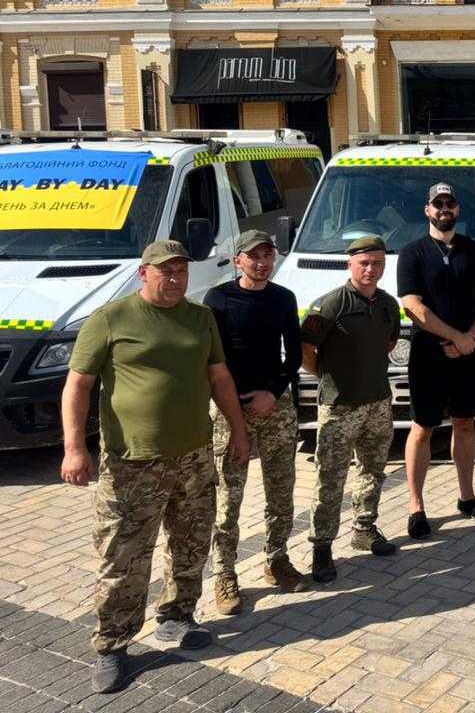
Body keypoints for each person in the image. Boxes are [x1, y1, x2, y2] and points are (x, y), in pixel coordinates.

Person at [60, 240, 250, 695]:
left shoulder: (200, 317)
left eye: (181, 270)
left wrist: (239, 432)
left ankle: (177, 619)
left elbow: (219, 377)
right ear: (144, 273)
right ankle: (112, 646)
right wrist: (73, 448)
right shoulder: (111, 318)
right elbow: (77, 386)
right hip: (132, 465)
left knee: (190, 546)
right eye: (166, 271)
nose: (175, 278)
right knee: (123, 559)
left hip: (194, 457)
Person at [204, 230, 307, 616]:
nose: (262, 262)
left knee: (281, 491)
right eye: (254, 256)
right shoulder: (218, 300)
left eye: (268, 255)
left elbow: (294, 354)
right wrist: (232, 412)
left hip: (274, 406)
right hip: (230, 409)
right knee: (228, 499)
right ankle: (224, 575)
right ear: (238, 261)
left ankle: (276, 559)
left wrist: (273, 392)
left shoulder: (283, 298)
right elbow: (212, 361)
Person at [398, 182, 475, 536]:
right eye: (437, 203)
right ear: (427, 209)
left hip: (466, 353)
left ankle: (467, 497)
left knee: (465, 423)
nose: (444, 209)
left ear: (457, 209)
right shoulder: (412, 253)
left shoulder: (473, 251)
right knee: (423, 428)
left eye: (450, 203)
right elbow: (413, 306)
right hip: (428, 355)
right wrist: (455, 336)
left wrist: (468, 338)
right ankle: (416, 506)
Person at [303, 236, 401, 582]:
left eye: (377, 263)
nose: (371, 269)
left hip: (377, 402)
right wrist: (329, 377)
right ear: (350, 265)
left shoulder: (388, 304)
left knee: (373, 471)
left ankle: (364, 528)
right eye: (364, 263)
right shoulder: (330, 305)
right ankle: (322, 546)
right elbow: (307, 350)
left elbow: (389, 342)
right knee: (330, 478)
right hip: (339, 407)